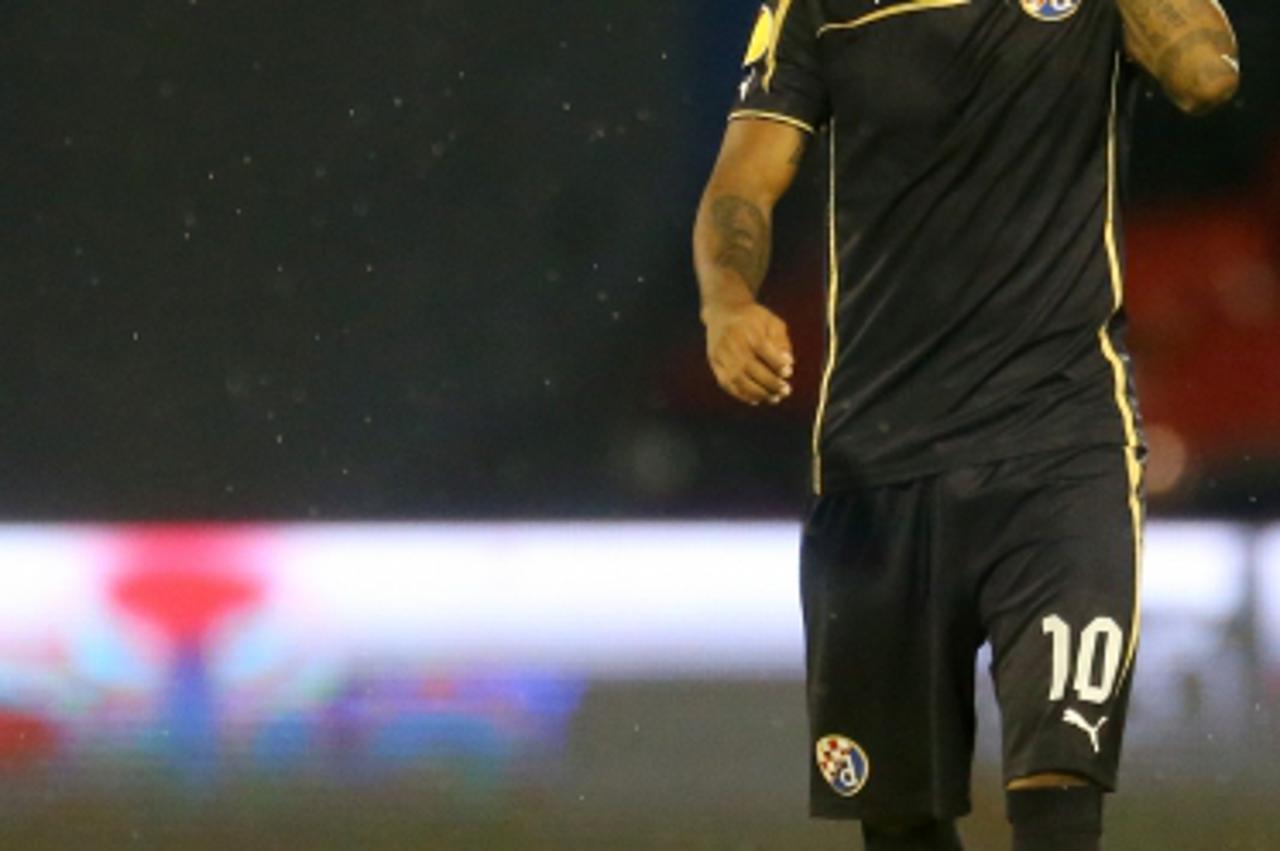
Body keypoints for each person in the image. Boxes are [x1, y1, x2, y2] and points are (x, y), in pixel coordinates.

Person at [692, 1, 1238, 849]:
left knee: (1059, 785)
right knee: (899, 816)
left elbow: (1207, 76)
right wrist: (727, 304)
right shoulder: (817, 8)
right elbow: (743, 181)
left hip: (1061, 450)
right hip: (878, 462)